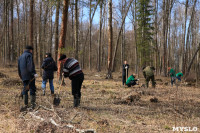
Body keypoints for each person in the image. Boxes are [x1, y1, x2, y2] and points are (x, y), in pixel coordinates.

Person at [18, 46, 38, 111]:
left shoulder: (20, 57)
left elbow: (18, 68)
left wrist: (20, 75)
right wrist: (33, 73)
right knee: (32, 88)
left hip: (23, 75)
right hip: (29, 75)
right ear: (30, 50)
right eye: (32, 50)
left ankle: (25, 104)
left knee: (25, 88)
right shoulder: (29, 55)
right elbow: (30, 65)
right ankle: (32, 105)